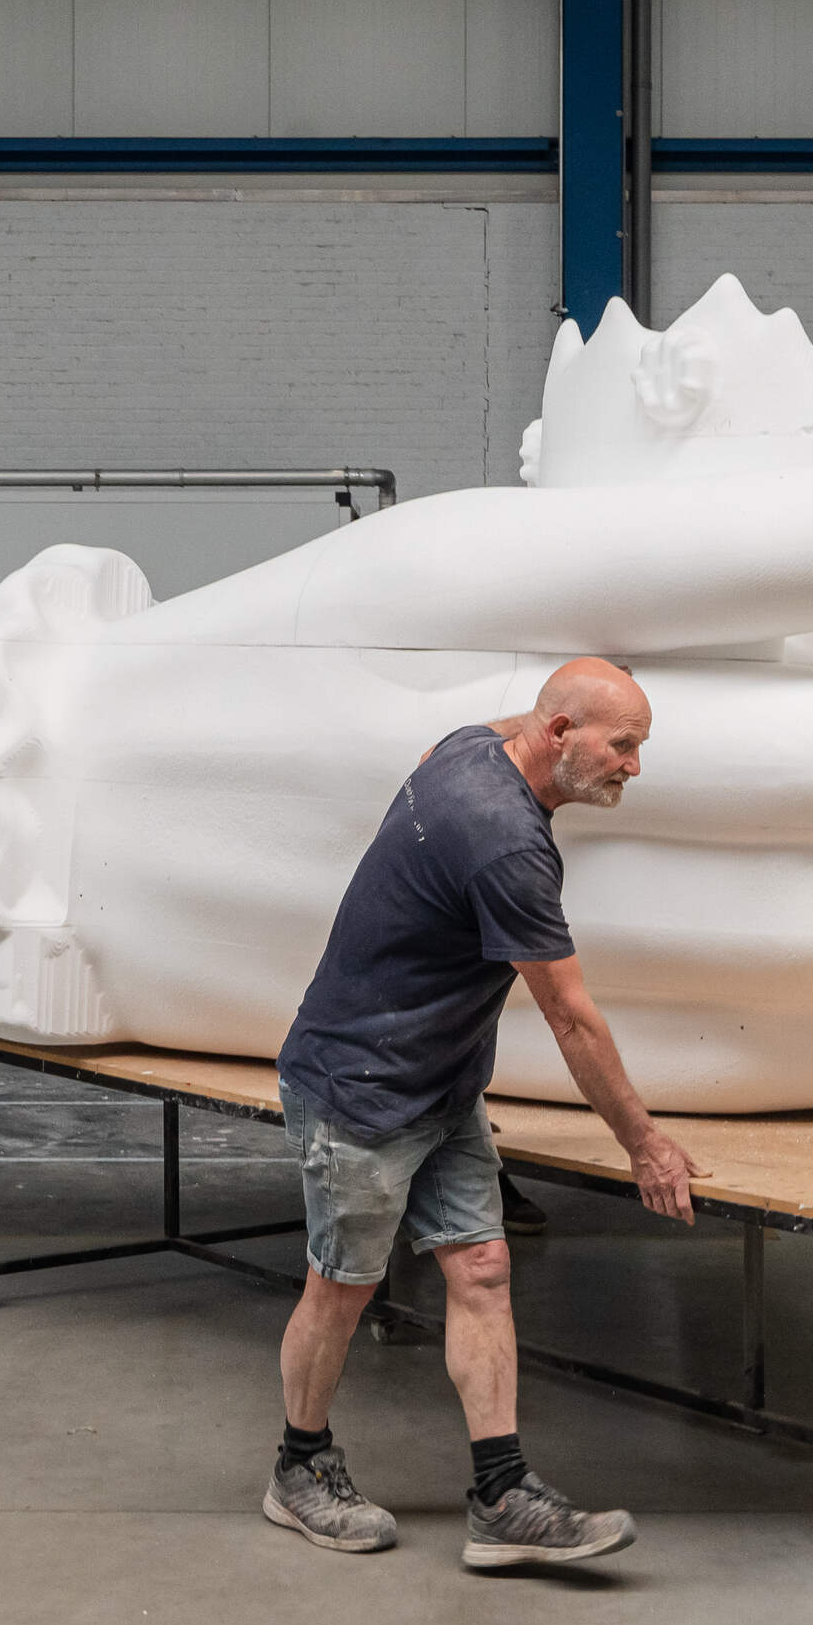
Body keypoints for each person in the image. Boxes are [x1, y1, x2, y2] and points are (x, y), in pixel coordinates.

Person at [260, 657, 708, 1569]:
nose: (633, 766)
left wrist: (579, 696)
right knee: (341, 1288)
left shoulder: (466, 749)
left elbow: (489, 731)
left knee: (484, 1269)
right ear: (560, 734)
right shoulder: (507, 845)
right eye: (623, 745)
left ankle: (502, 1498)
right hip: (359, 1089)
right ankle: (298, 1470)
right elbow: (570, 1018)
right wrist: (645, 1144)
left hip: (441, 1082)